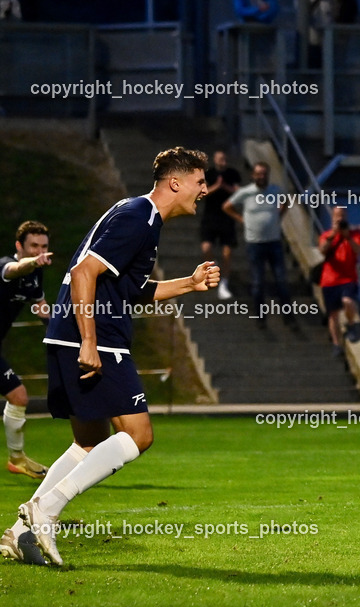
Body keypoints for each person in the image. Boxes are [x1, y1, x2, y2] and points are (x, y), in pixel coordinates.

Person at [8, 147, 220, 567]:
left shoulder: (139, 216)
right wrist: (89, 341)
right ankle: (45, 511)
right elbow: (84, 272)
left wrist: (189, 284)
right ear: (175, 182)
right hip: (94, 339)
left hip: (70, 335)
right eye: (199, 182)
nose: (204, 190)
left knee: (88, 440)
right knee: (139, 434)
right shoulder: (138, 217)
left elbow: (131, 290)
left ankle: (18, 533)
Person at [0, 221, 52, 480]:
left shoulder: (35, 274)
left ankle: (17, 459)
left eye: (44, 247)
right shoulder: (6, 266)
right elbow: (15, 269)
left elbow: (41, 307)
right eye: (34, 246)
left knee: (18, 397)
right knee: (19, 397)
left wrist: (63, 336)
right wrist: (32, 262)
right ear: (19, 246)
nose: (39, 251)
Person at [222, 163, 294, 330]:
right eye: (258, 174)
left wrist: (279, 216)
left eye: (264, 174)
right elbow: (227, 206)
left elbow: (286, 201)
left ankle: (288, 317)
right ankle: (260, 317)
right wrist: (241, 219)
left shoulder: (275, 190)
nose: (261, 177)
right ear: (253, 175)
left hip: (274, 242)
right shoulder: (246, 192)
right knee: (258, 282)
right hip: (255, 244)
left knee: (281, 281)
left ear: (268, 175)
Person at [319, 206, 360, 355]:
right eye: (337, 216)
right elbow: (322, 250)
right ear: (333, 218)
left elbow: (359, 250)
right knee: (333, 314)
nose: (340, 219)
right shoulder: (326, 235)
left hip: (348, 278)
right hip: (330, 280)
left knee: (348, 301)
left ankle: (351, 324)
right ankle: (336, 343)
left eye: (342, 216)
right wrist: (333, 234)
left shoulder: (354, 235)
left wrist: (347, 236)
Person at [200, 151, 241, 300]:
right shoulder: (208, 174)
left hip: (227, 217)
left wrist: (225, 186)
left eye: (224, 158)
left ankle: (225, 281)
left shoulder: (232, 174)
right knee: (206, 247)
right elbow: (203, 192)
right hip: (210, 215)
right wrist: (217, 186)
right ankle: (213, 269)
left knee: (227, 252)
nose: (222, 161)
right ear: (215, 160)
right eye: (219, 159)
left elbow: (238, 192)